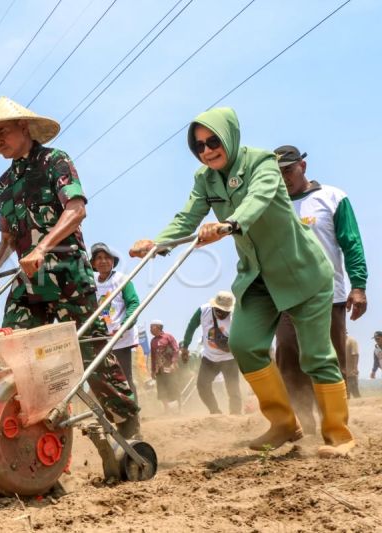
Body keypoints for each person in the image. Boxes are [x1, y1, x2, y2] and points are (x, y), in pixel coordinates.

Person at [130, 107, 354, 457]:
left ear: (230, 137)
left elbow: (259, 197)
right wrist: (156, 243)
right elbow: (187, 217)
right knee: (244, 343)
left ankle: (338, 435)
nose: (207, 151)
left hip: (302, 271)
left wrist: (230, 224)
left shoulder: (261, 162)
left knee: (315, 356)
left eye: (213, 141)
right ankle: (283, 422)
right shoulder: (205, 179)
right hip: (258, 276)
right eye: (198, 146)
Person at [0, 97, 139, 437]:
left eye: (3, 132)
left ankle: (127, 420)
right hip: (29, 280)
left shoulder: (55, 161)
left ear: (23, 127)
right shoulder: (3, 184)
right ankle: (35, 431)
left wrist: (42, 247)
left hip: (67, 271)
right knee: (11, 352)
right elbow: (9, 237)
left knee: (90, 352)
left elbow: (76, 210)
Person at [273, 145, 368, 433]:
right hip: (286, 299)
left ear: (302, 165)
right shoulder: (271, 203)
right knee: (288, 359)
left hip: (329, 296)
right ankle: (305, 426)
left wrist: (359, 286)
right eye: (277, 173)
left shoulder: (332, 198)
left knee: (329, 362)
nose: (284, 177)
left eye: (288, 170)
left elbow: (351, 243)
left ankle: (335, 426)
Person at [90, 242, 141, 400]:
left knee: (124, 377)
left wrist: (125, 325)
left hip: (120, 336)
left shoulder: (122, 280)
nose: (103, 261)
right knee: (104, 380)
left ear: (112, 261)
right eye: (99, 258)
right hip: (101, 338)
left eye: (107, 257)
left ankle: (134, 414)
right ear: (93, 263)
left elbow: (134, 303)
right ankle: (115, 413)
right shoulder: (92, 284)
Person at [181, 291, 242, 415]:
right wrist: (185, 346)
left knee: (233, 389)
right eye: (218, 311)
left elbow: (244, 336)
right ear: (213, 307)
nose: (221, 314)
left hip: (229, 359)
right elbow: (191, 326)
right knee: (202, 386)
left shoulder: (237, 315)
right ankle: (215, 412)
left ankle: (235, 415)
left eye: (225, 312)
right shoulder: (204, 311)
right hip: (210, 358)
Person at [149, 320, 182, 414]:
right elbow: (153, 356)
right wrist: (152, 370)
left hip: (170, 367)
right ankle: (167, 409)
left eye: (152, 327)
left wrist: (173, 363)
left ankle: (179, 409)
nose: (150, 329)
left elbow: (176, 350)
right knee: (161, 389)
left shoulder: (168, 337)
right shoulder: (153, 341)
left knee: (173, 387)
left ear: (158, 327)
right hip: (159, 369)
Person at [344, 334, 360, 398]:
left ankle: (361, 406)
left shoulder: (351, 341)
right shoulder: (338, 341)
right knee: (345, 393)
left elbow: (355, 354)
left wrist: (355, 368)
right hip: (342, 373)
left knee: (355, 392)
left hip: (351, 373)